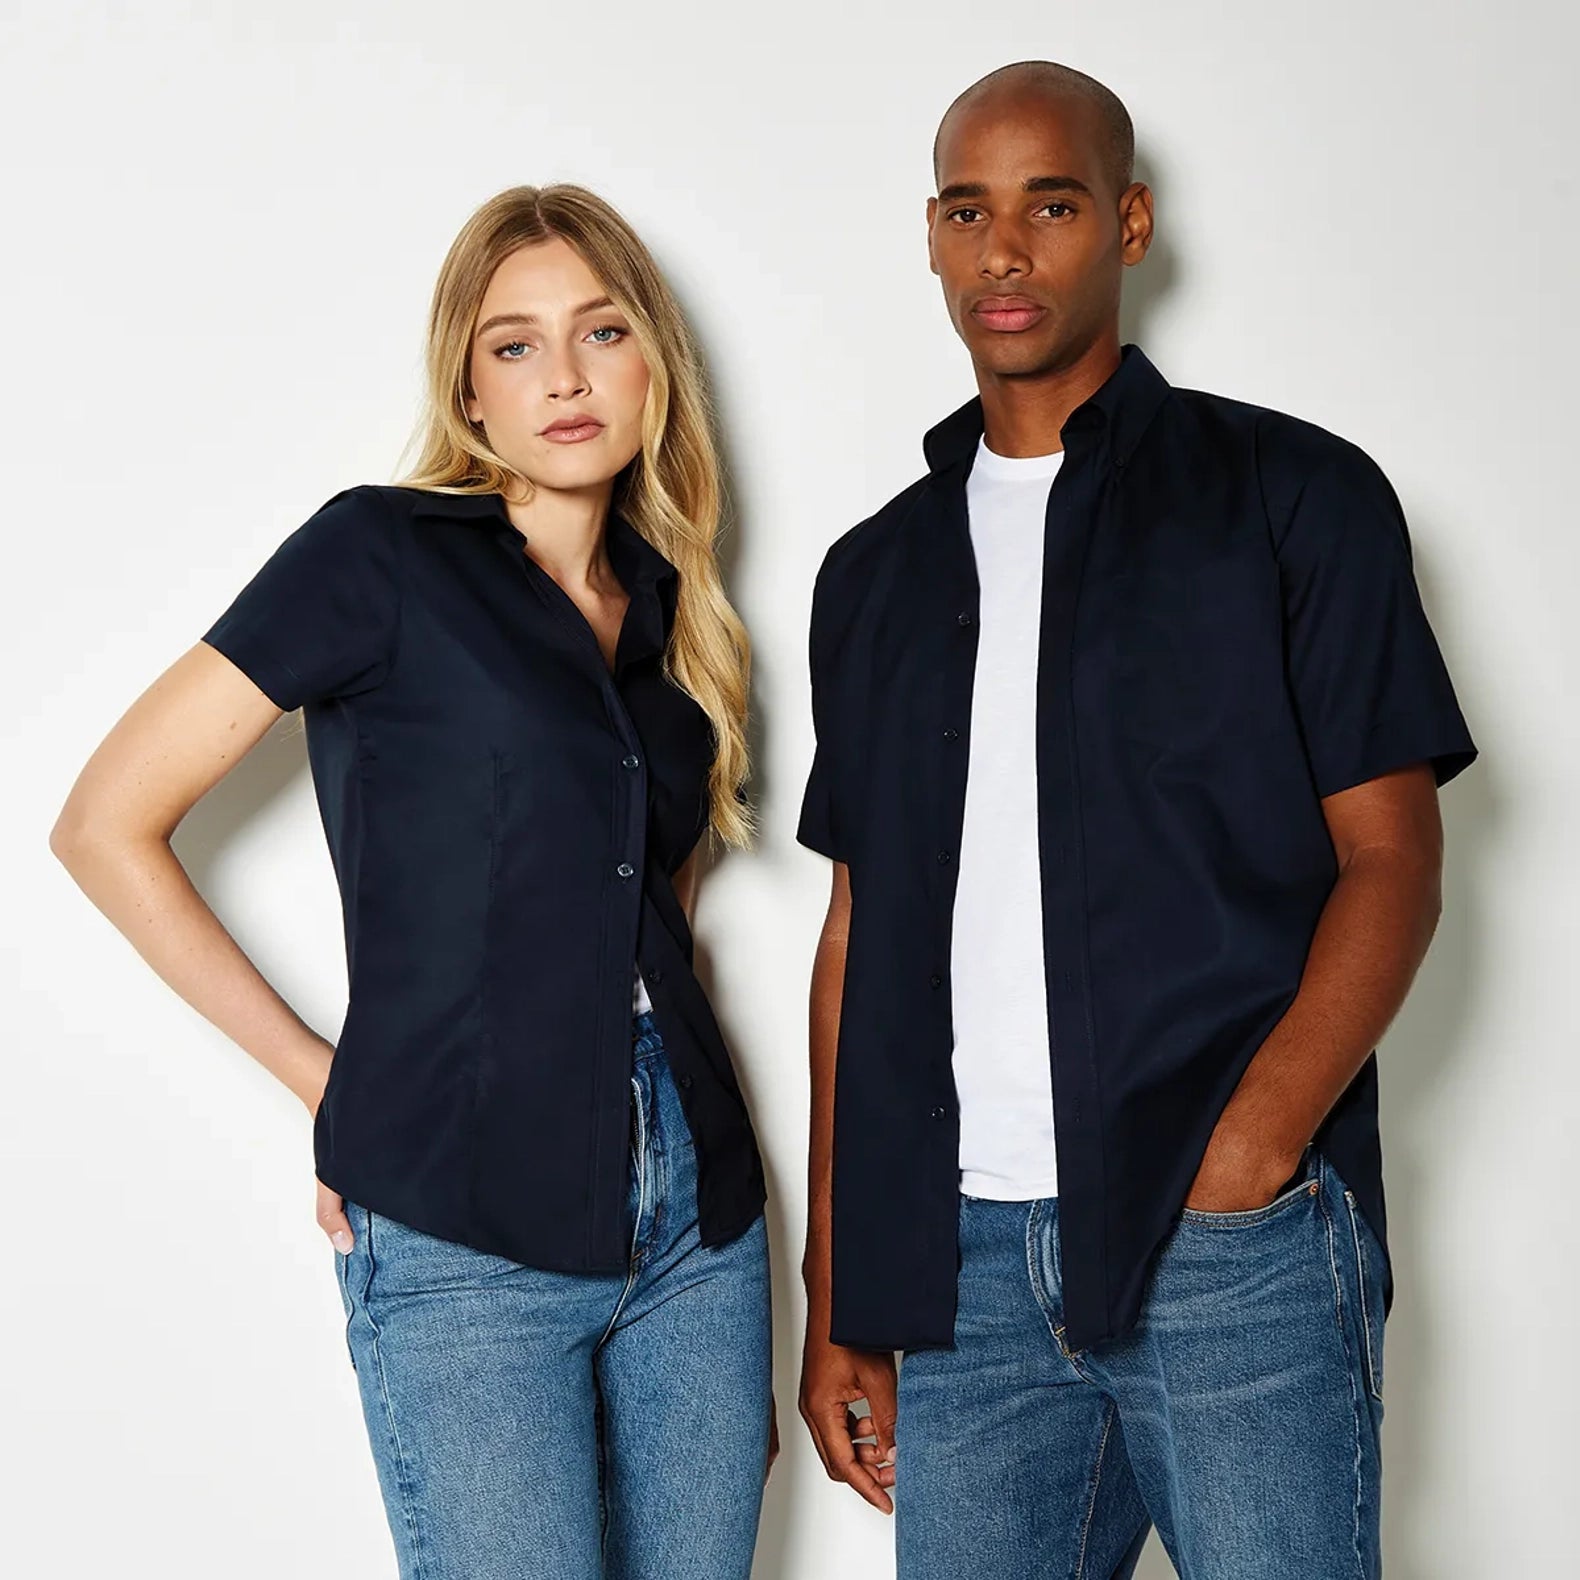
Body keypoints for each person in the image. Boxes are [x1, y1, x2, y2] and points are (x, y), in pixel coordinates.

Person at [794, 61, 1476, 1580]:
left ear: (1130, 223)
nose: (1004, 251)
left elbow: (1393, 859)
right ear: (930, 236)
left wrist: (1250, 1149)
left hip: (1228, 1245)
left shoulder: (1294, 496)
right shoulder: (873, 574)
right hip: (960, 1276)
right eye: (967, 212)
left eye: (1051, 207)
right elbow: (856, 939)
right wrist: (841, 1289)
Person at [50, 183, 774, 1580]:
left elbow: (651, 910)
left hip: (700, 1213)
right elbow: (105, 825)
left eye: (601, 331)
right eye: (515, 344)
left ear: (653, 364)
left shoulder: (676, 613)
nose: (564, 377)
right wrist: (332, 1086)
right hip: (462, 1217)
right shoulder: (378, 556)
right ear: (469, 388)